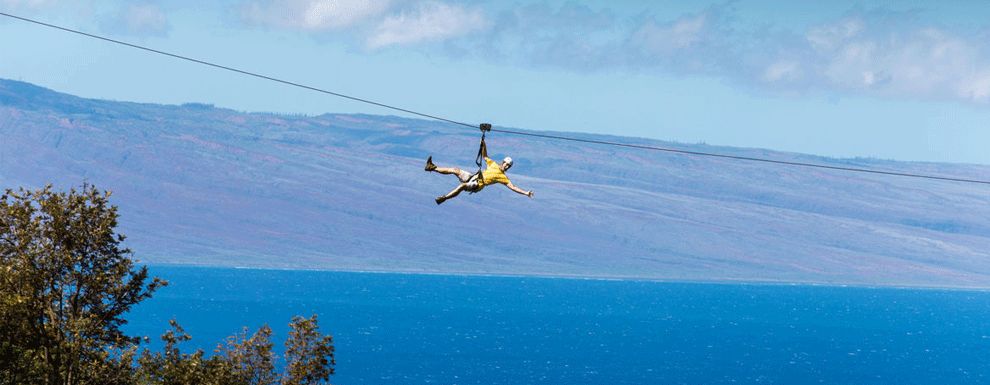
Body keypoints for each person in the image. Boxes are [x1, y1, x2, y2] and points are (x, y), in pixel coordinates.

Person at [425, 136, 534, 205]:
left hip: (478, 184)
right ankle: (432, 167)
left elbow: (513, 187)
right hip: (474, 176)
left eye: (509, 166)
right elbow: (485, 155)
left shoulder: (503, 177)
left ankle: (444, 198)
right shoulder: (493, 164)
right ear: (503, 162)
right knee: (455, 170)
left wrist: (526, 193)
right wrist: (483, 142)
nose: (507, 167)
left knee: (463, 186)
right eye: (507, 164)